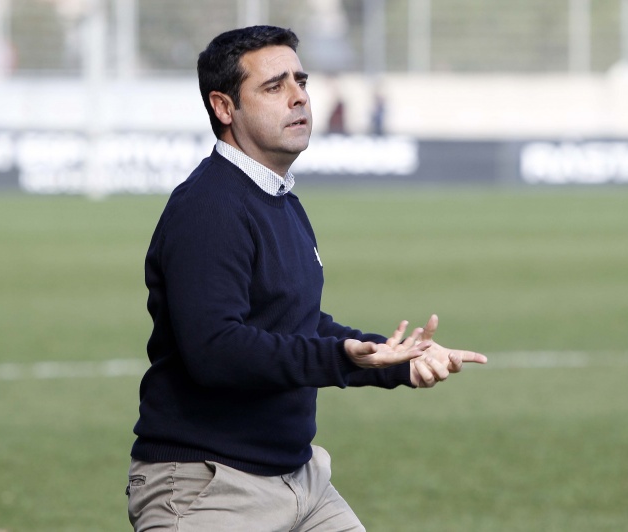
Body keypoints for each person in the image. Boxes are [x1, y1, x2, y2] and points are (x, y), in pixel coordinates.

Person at [126, 25, 487, 532]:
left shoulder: (279, 199)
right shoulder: (209, 207)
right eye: (274, 87)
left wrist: (396, 359)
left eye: (301, 81)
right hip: (210, 487)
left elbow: (296, 323)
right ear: (224, 108)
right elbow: (214, 350)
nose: (298, 97)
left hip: (301, 481)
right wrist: (339, 357)